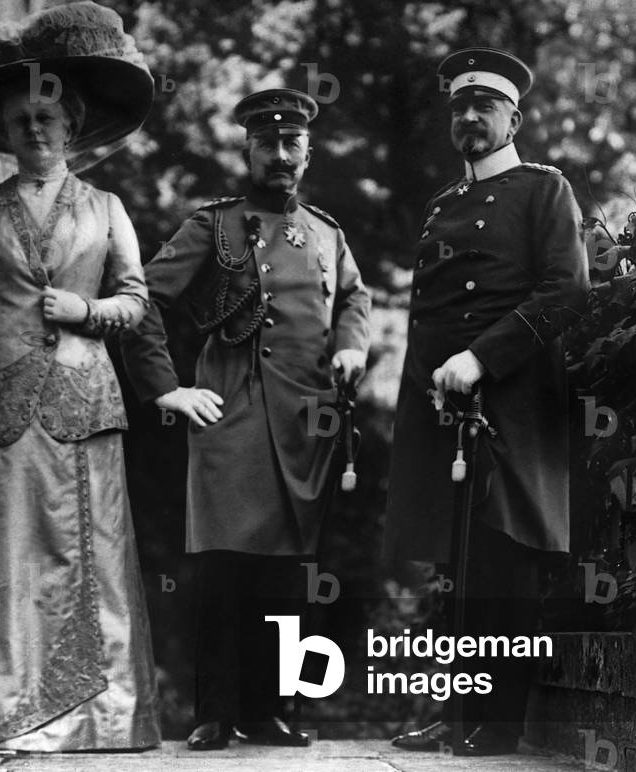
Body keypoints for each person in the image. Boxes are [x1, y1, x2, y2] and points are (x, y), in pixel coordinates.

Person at [121, 88, 371, 751]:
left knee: (285, 572)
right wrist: (166, 390)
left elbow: (353, 296)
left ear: (307, 152)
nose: (280, 155)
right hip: (231, 412)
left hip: (306, 422)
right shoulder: (216, 225)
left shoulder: (326, 232)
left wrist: (351, 344)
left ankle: (264, 711)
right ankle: (212, 712)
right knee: (222, 566)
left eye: (292, 144)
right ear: (248, 151)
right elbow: (145, 300)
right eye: (268, 144)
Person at [0, 2, 159, 751]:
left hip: (83, 397)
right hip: (0, 400)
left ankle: (100, 719)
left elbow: (136, 302)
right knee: (3, 557)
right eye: (18, 121)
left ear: (70, 125)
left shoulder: (105, 208)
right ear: (3, 134)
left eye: (46, 117)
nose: (33, 130)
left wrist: (84, 308)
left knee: (90, 554)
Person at [385, 48, 589, 756]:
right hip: (444, 408)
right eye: (459, 108)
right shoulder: (442, 206)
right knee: (456, 565)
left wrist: (481, 358)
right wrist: (424, 398)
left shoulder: (543, 191)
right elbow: (425, 319)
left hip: (515, 401)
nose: (469, 118)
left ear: (514, 118)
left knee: (501, 561)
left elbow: (567, 291)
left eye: (485, 107)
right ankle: (456, 710)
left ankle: (497, 723)